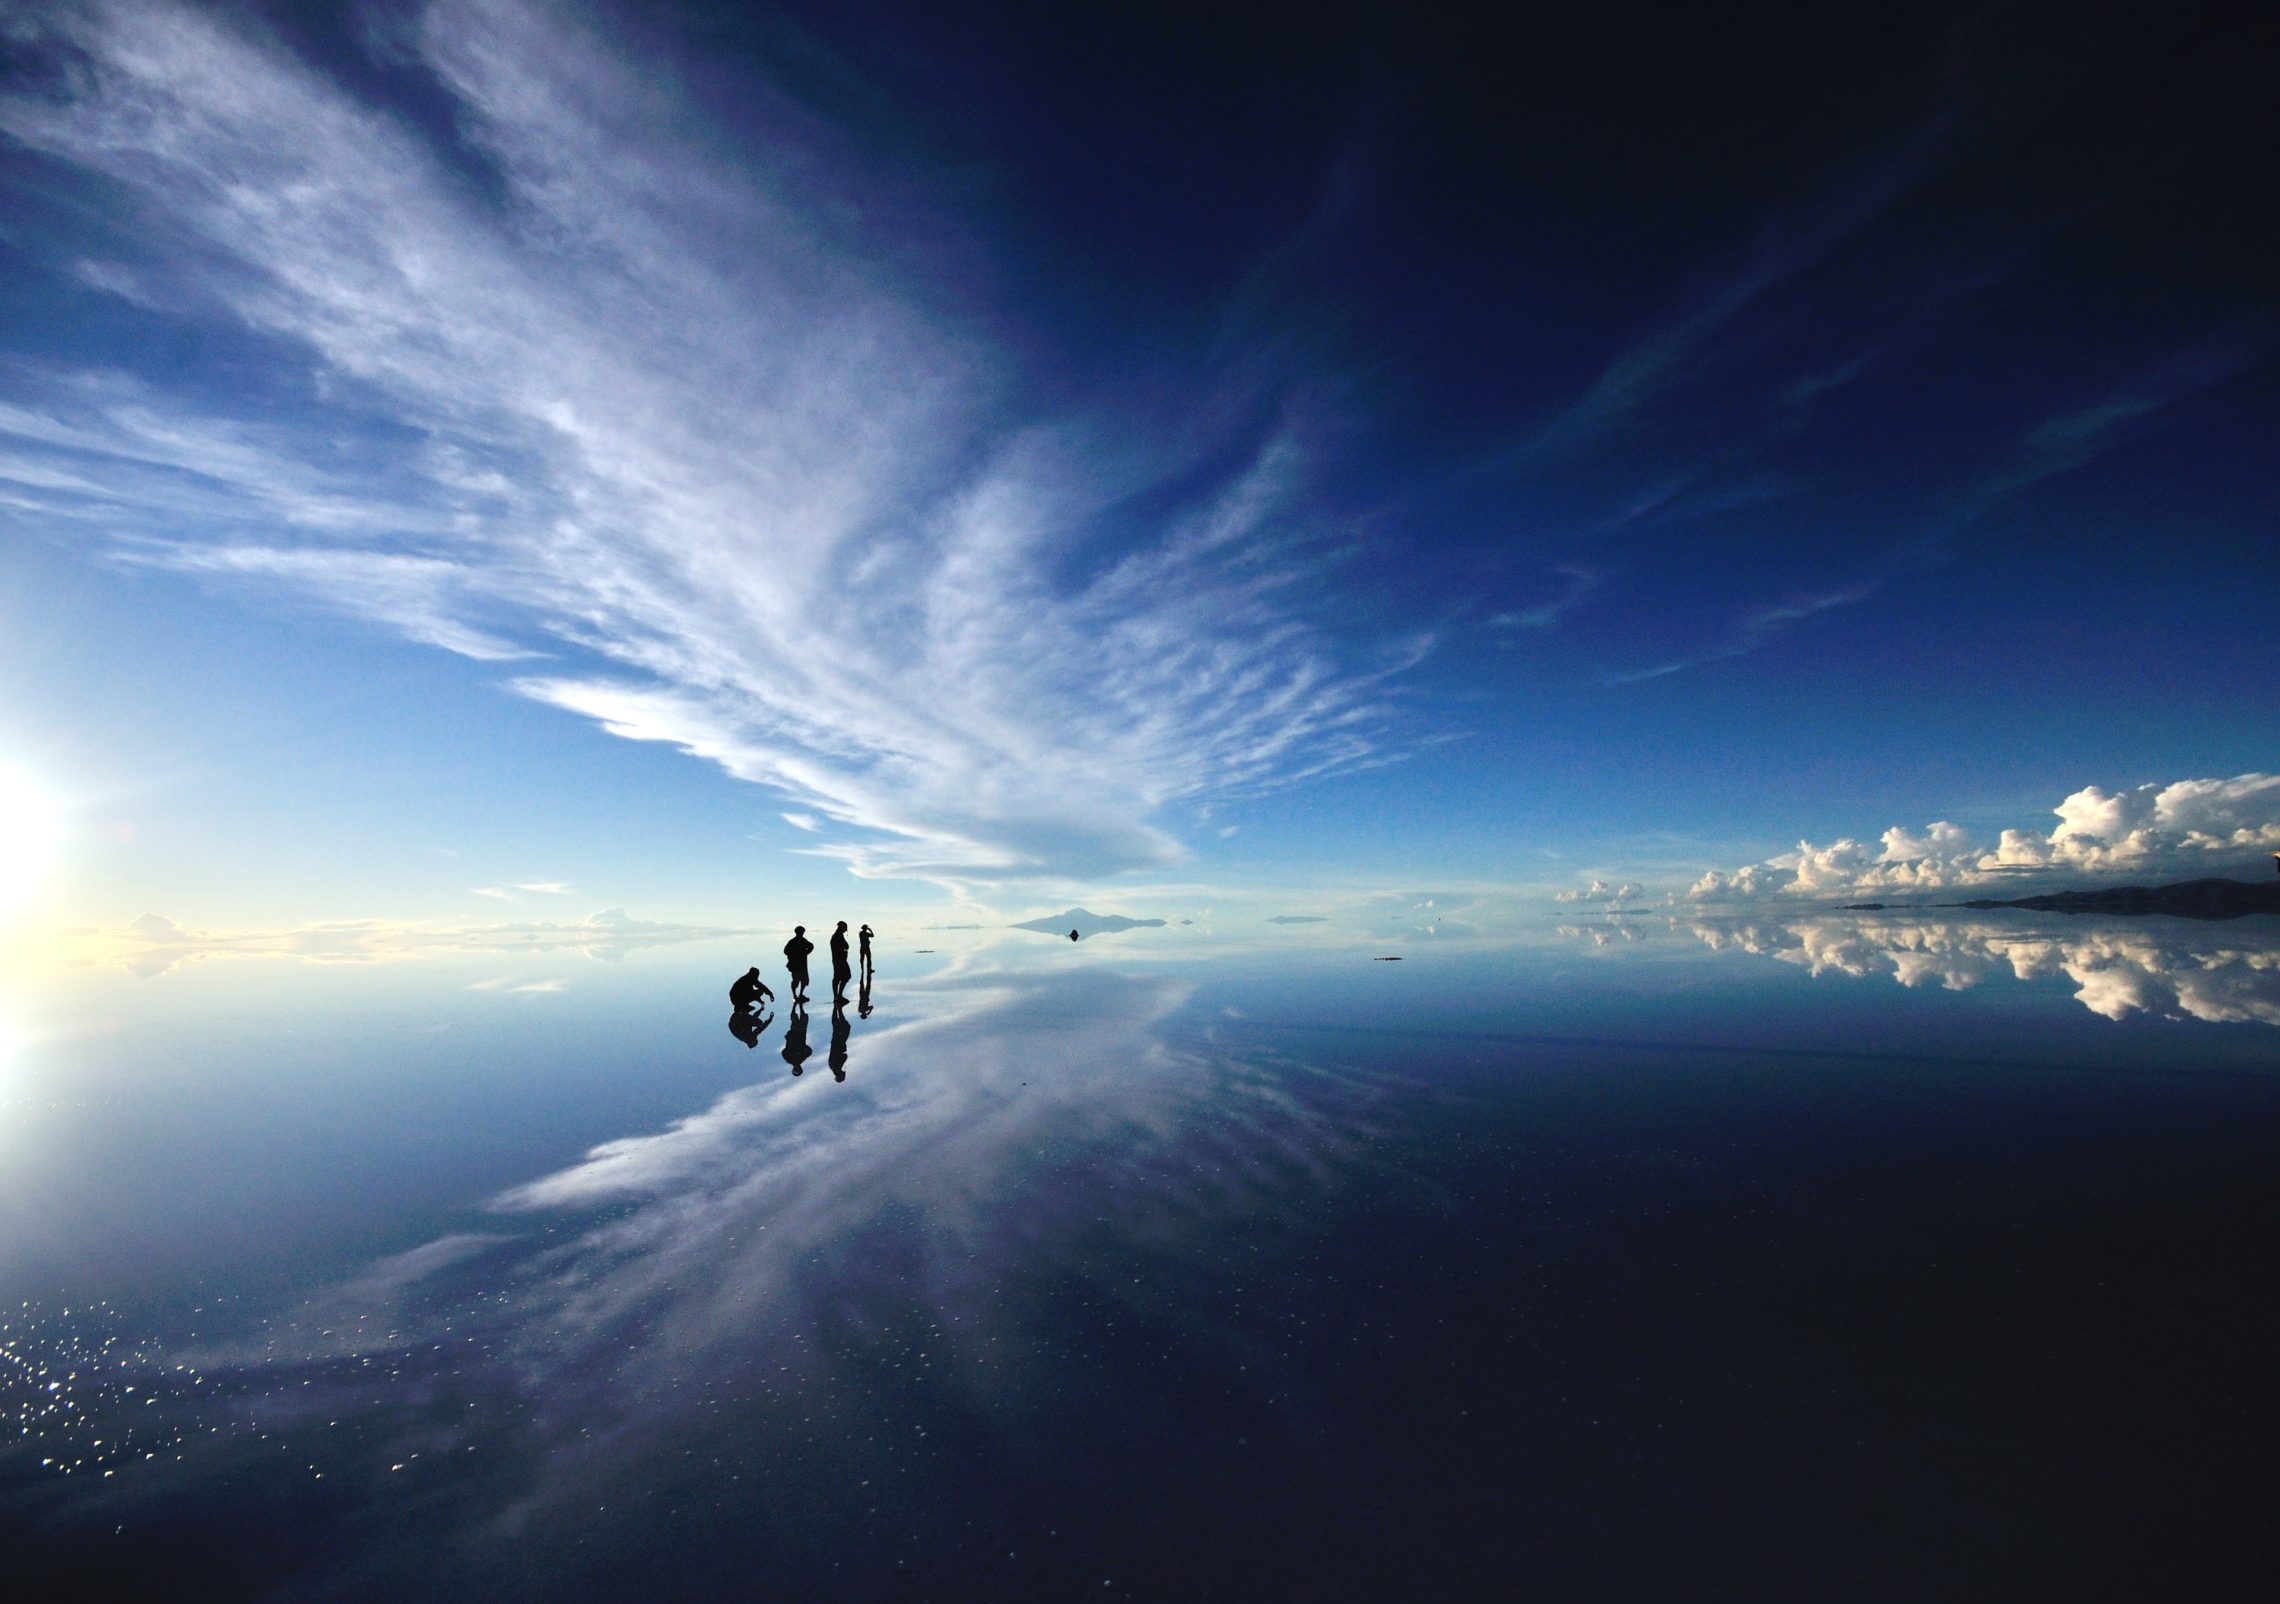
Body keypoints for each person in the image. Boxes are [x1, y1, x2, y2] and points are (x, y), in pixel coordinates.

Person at [783, 925, 815, 1003]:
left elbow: (811, 946)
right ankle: (794, 995)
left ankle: (800, 994)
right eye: (801, 932)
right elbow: (786, 951)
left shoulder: (803, 940)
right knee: (796, 981)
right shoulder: (793, 941)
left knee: (804, 980)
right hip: (795, 965)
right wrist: (793, 955)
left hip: (802, 965)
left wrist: (806, 952)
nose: (802, 933)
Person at [780, 1002, 812, 1076]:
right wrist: (803, 1048)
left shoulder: (790, 1059)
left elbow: (784, 1052)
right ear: (800, 1068)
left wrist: (789, 1045)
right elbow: (809, 1051)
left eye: (796, 1069)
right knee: (802, 1018)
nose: (797, 1067)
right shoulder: (801, 1058)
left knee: (795, 1019)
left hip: (794, 1034)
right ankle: (798, 1006)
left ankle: (794, 1006)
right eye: (798, 1069)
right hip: (801, 1034)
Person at [829, 920, 853, 1005]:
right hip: (839, 960)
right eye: (845, 928)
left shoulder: (838, 936)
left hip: (839, 960)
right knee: (840, 977)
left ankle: (838, 995)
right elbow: (845, 946)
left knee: (843, 976)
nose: (845, 930)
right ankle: (837, 996)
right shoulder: (837, 936)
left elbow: (846, 946)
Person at [828, 999, 851, 1082]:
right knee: (836, 1024)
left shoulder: (836, 1067)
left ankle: (839, 1009)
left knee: (844, 1026)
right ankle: (836, 1008)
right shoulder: (832, 1066)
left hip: (839, 1043)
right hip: (835, 1042)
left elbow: (844, 1056)